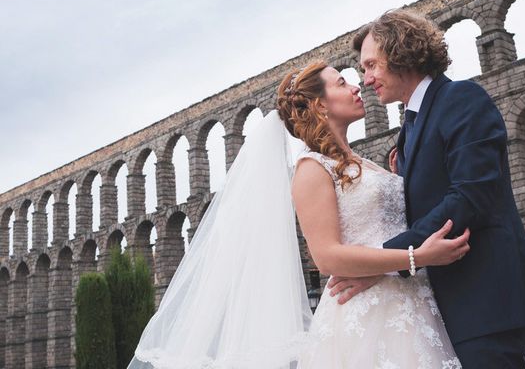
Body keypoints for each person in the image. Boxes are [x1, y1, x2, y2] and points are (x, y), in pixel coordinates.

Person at [127, 61, 468, 368]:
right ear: (320, 104)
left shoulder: (366, 163)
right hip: (365, 315)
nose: (356, 86)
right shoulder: (311, 169)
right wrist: (416, 257)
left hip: (414, 304)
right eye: (341, 83)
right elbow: (327, 257)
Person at [328, 9, 525, 368]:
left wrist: (386, 260)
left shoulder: (461, 99)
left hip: (483, 301)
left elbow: (469, 197)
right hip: (441, 307)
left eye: (371, 65)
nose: (366, 80)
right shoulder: (410, 126)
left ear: (400, 52)